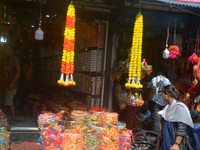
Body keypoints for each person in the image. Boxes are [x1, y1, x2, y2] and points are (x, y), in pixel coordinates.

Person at [155, 85, 200, 150]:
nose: (161, 96)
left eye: (162, 94)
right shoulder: (167, 108)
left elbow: (181, 127)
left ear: (167, 95)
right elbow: (162, 129)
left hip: (177, 145)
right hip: (166, 144)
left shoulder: (179, 107)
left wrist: (176, 144)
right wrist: (158, 144)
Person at [148, 65, 171, 131]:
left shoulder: (154, 79)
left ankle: (156, 135)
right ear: (163, 71)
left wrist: (148, 98)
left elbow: (153, 89)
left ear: (156, 71)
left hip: (155, 102)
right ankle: (161, 133)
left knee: (156, 120)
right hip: (164, 102)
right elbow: (169, 91)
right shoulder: (167, 80)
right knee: (162, 119)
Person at [2, 44, 20, 125]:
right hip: (7, 85)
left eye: (8, 50)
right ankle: (4, 118)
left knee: (9, 102)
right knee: (6, 102)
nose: (6, 52)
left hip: (12, 86)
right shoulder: (7, 60)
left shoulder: (14, 59)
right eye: (5, 50)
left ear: (12, 51)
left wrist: (12, 83)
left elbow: (18, 72)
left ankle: (13, 119)